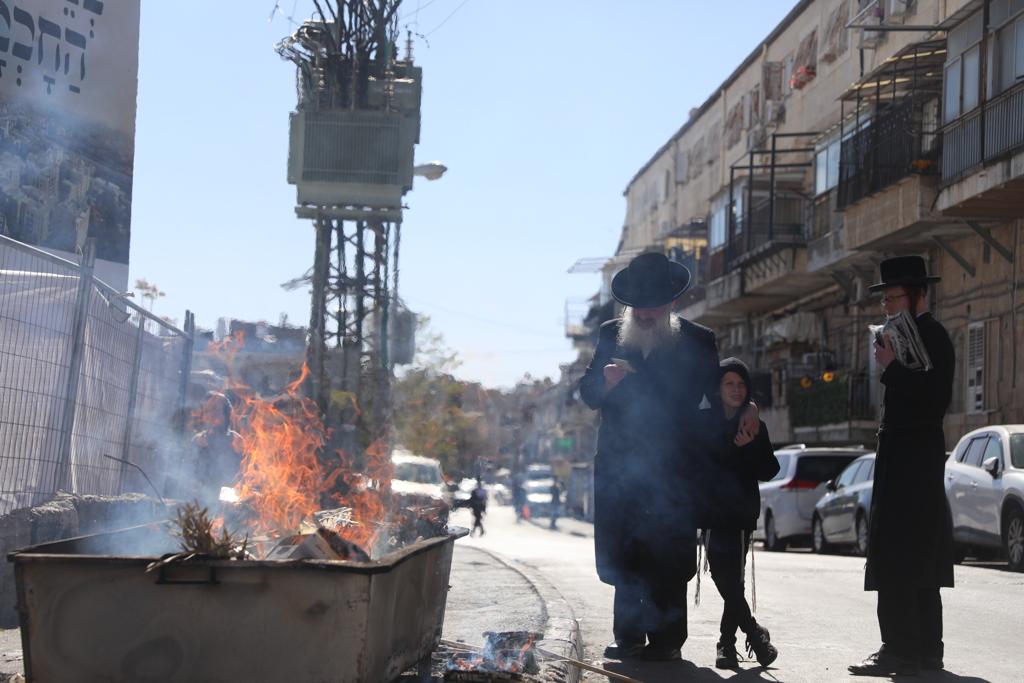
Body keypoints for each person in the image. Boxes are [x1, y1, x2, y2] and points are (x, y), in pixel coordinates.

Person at [580, 252, 759, 662]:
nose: (643, 314)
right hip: (620, 466)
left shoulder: (697, 339)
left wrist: (748, 403)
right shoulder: (610, 333)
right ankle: (627, 636)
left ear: (671, 303)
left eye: (652, 305)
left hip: (673, 469)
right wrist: (605, 383)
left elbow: (719, 395)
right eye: (637, 306)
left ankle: (667, 640)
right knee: (625, 552)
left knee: (667, 553)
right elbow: (588, 394)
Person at [849, 256, 955, 677]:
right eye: (886, 299)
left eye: (895, 297)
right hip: (901, 456)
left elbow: (934, 400)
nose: (889, 306)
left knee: (904, 554)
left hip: (917, 458)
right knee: (907, 554)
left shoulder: (934, 336)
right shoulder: (899, 334)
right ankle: (919, 649)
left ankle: (906, 649)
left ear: (918, 296)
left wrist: (892, 369)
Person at [698, 358, 780, 669]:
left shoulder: (755, 426)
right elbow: (705, 465)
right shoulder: (704, 421)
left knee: (735, 581)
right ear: (718, 389)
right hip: (712, 513)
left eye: (741, 384)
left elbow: (770, 470)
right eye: (729, 383)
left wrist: (749, 447)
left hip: (741, 513)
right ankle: (754, 632)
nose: (736, 389)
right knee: (724, 578)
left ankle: (726, 644)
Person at [192, 391, 244, 505]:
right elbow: (188, 474)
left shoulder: (236, 441)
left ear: (226, 415)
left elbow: (243, 478)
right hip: (201, 500)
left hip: (227, 502)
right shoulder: (198, 440)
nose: (210, 416)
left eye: (216, 411)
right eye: (207, 411)